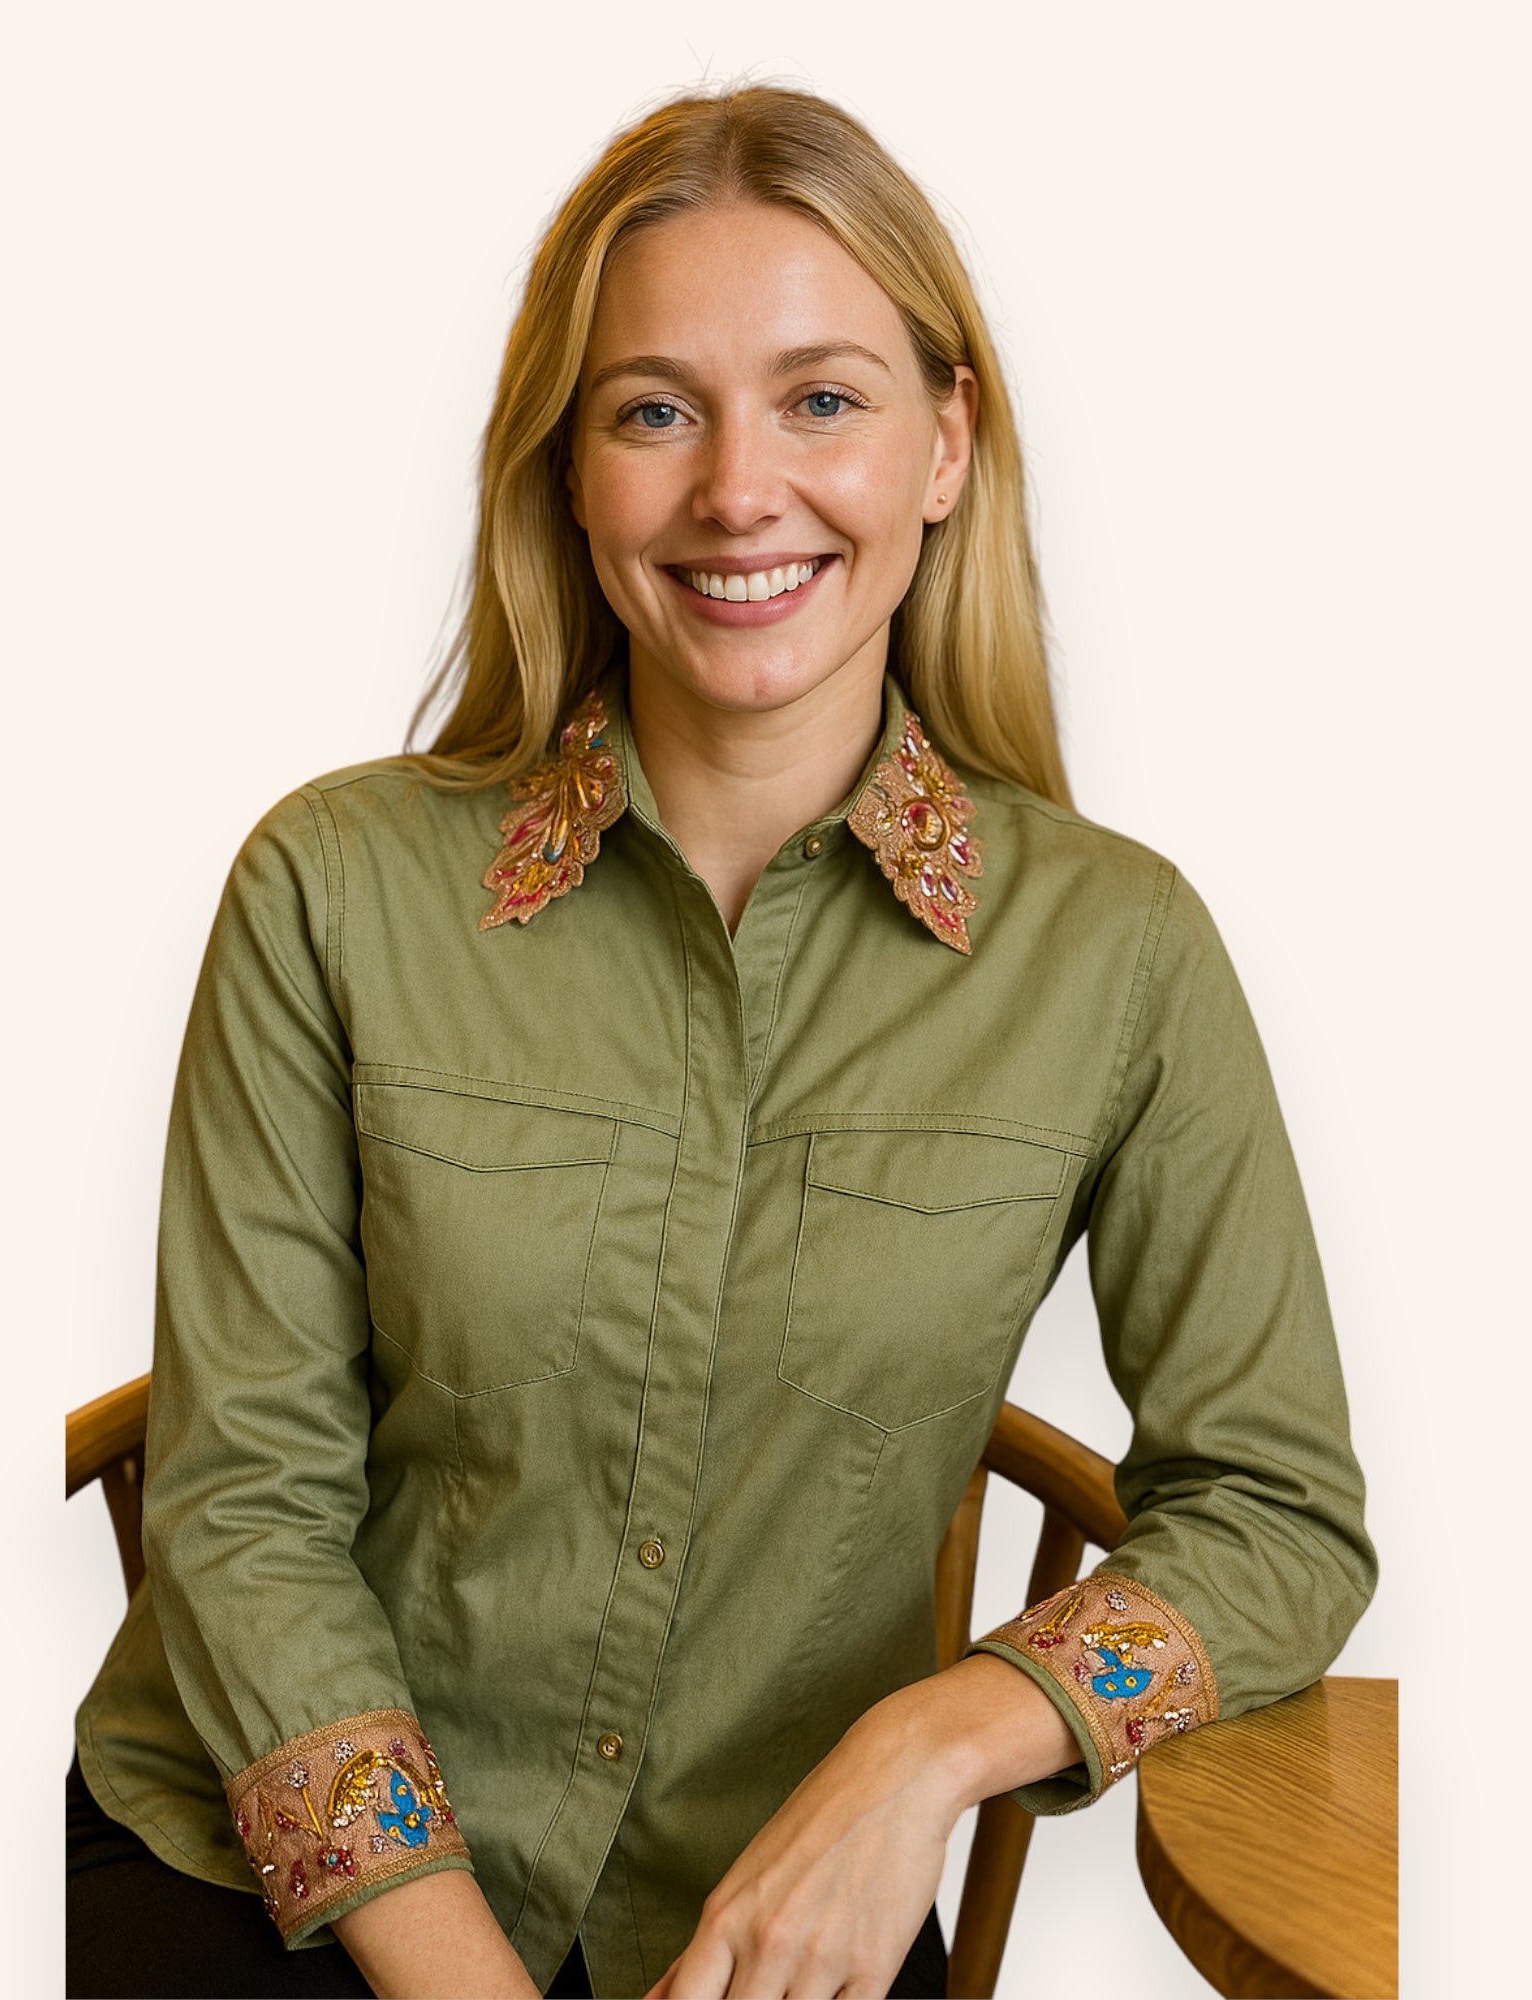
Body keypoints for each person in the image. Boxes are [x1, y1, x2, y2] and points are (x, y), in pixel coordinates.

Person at [67, 83, 1378, 2000]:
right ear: (568, 472)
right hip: (280, 1880)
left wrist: (926, 1749)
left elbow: (1280, 1515)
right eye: (655, 410)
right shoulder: (330, 888)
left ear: (948, 443)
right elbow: (245, 1496)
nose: (738, 491)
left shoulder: (1119, 955)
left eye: (823, 399)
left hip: (780, 1924)